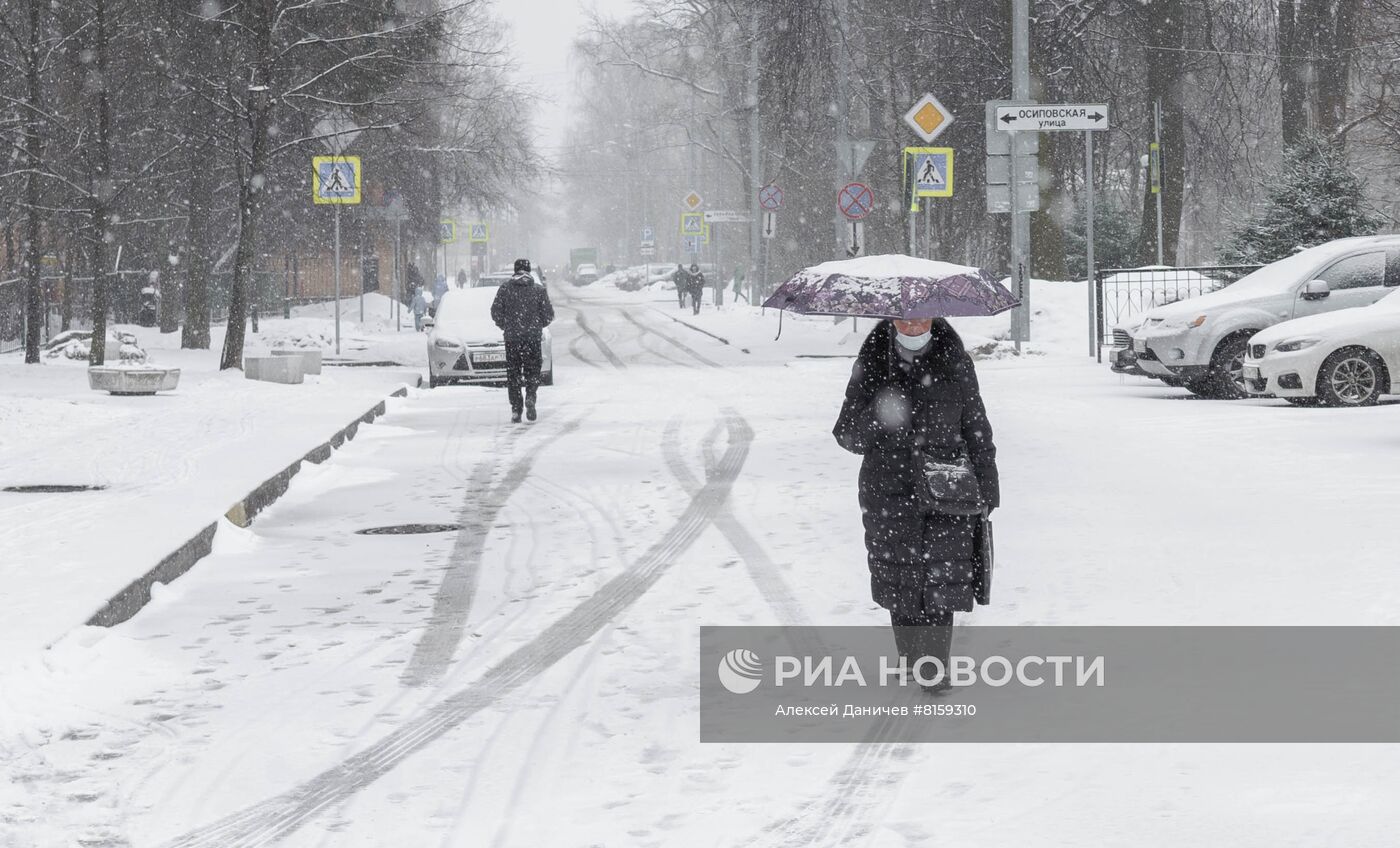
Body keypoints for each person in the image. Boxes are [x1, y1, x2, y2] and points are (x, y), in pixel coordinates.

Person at [832, 317, 999, 694]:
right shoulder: (873, 361)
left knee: (944, 574)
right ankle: (911, 659)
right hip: (888, 488)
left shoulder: (956, 360)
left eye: (922, 316)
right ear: (891, 319)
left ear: (935, 316)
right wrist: (881, 410)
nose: (913, 324)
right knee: (900, 575)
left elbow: (975, 424)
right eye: (905, 317)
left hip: (947, 484)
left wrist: (988, 486)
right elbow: (846, 434)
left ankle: (934, 668)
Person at [491, 258, 555, 423]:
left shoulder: (505, 289)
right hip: (532, 339)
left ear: (515, 270)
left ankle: (516, 409)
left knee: (513, 374)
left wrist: (505, 325)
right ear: (529, 271)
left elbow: (495, 311)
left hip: (512, 339)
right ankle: (531, 396)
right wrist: (537, 325)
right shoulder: (538, 291)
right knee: (533, 370)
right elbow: (549, 315)